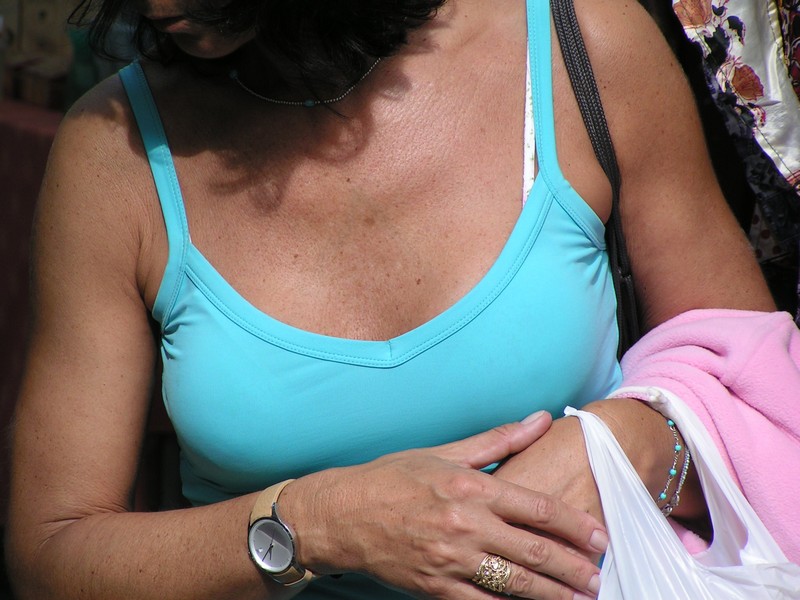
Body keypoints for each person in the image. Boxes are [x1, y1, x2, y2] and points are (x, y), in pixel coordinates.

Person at [5, 0, 798, 599]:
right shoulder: (114, 155)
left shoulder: (578, 43)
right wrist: (316, 524)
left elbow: (769, 404)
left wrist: (630, 445)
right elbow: (49, 553)